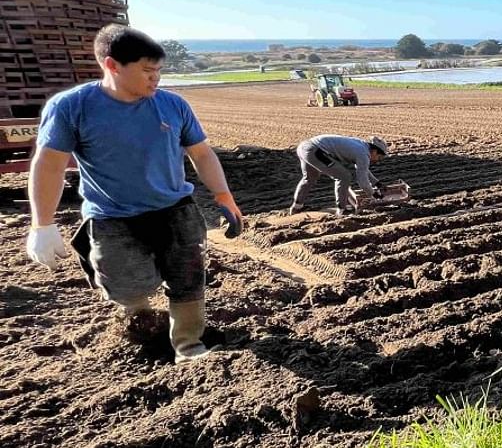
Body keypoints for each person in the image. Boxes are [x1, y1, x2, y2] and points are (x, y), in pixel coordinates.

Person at [26, 24, 243, 364]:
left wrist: (223, 195)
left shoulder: (172, 105)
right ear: (111, 65)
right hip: (113, 217)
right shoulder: (72, 107)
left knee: (188, 279)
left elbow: (201, 153)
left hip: (175, 210)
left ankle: (188, 346)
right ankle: (141, 327)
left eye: (158, 70)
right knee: (128, 288)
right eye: (146, 71)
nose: (155, 78)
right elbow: (50, 165)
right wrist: (42, 225)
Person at [290, 135, 394, 215]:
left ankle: (297, 207)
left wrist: (377, 183)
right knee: (344, 176)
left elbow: (363, 169)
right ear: (375, 151)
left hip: (304, 147)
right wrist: (374, 195)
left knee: (309, 178)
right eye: (379, 157)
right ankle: (342, 210)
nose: (378, 161)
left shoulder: (361, 146)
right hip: (315, 151)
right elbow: (363, 183)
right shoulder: (363, 154)